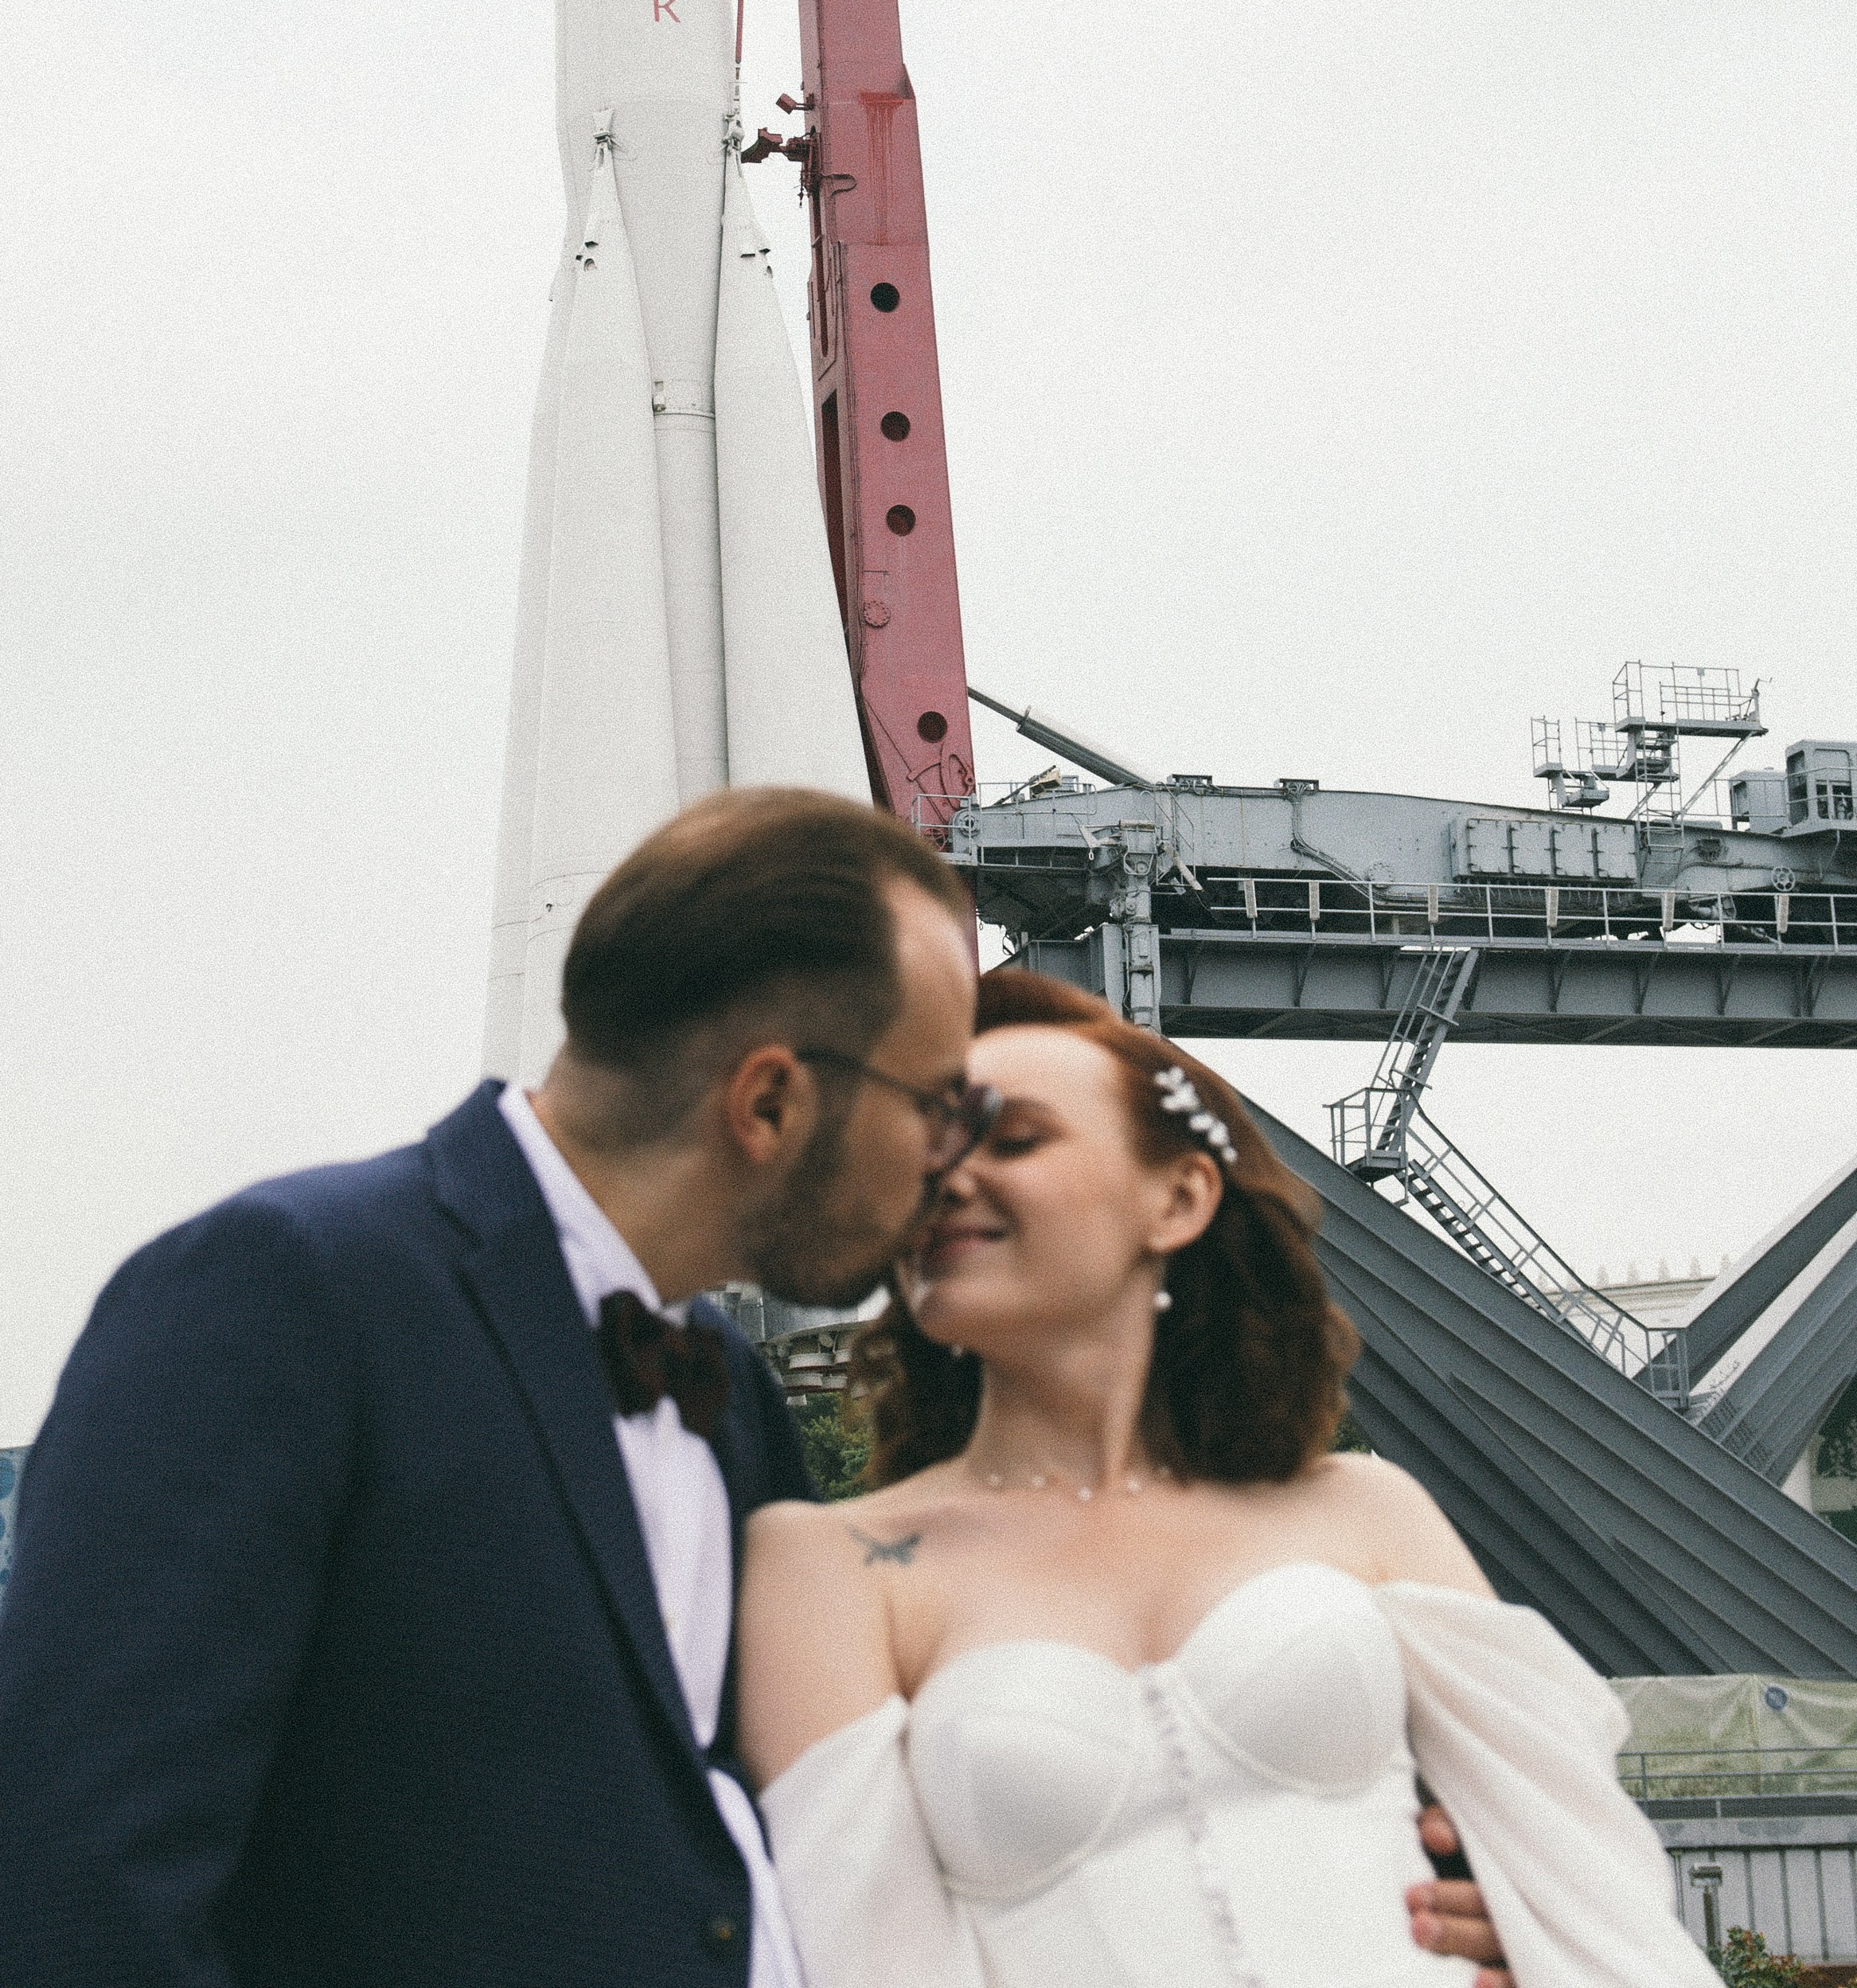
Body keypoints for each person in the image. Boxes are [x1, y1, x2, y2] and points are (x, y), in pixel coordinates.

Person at [0, 791, 1508, 1988]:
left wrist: (1385, 1884)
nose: (947, 1165)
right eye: (933, 1104)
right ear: (772, 1100)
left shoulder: (721, 1386)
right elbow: (78, 1893)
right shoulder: (283, 1295)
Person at [738, 968, 1716, 1988]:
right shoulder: (829, 1568)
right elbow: (864, 1958)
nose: (946, 1177)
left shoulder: (1363, 1508)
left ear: (1177, 1197)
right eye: (925, 1151)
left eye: (1014, 1139)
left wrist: (1532, 1937)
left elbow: (1592, 1892)